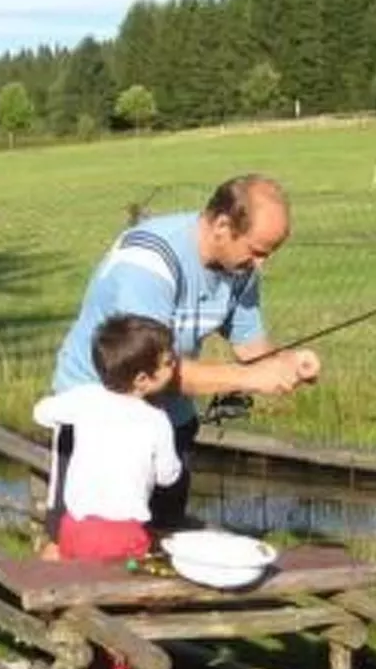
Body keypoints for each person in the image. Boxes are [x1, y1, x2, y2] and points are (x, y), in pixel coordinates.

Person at [45, 173, 319, 544]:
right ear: (223, 224)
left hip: (167, 419)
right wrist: (250, 378)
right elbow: (151, 370)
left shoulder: (240, 267)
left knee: (161, 541)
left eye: (268, 255)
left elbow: (252, 346)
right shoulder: (147, 263)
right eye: (257, 251)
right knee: (73, 543)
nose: (261, 266)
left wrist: (287, 363)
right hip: (100, 416)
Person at [33, 314, 181, 669]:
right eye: (168, 363)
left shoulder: (85, 399)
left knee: (83, 612)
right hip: (123, 536)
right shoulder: (156, 421)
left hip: (76, 530)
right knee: (126, 624)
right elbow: (170, 475)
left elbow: (42, 411)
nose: (175, 367)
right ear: (141, 378)